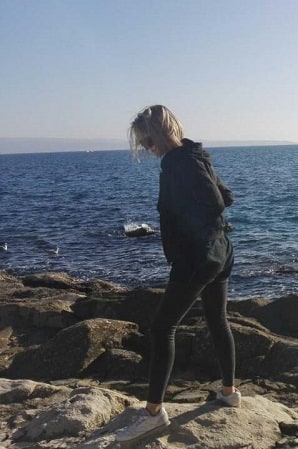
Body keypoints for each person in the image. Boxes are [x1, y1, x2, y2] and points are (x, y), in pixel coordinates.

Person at [116, 105, 240, 442]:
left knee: (161, 328)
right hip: (221, 250)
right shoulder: (194, 154)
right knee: (217, 319)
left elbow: (215, 201)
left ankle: (154, 414)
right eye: (142, 144)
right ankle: (228, 392)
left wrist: (186, 231)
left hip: (197, 257)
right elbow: (226, 196)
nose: (146, 149)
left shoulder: (176, 162)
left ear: (159, 134)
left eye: (146, 142)